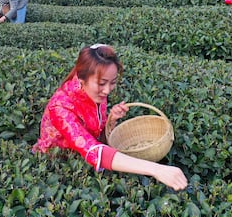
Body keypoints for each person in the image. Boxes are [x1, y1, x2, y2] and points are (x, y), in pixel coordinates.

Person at [32, 44, 188, 191]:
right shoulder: (60, 107)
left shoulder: (95, 93)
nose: (107, 90)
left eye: (112, 82)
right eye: (102, 83)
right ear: (82, 80)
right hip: (59, 168)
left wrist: (111, 120)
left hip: (85, 161)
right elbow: (92, 149)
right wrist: (156, 169)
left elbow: (94, 133)